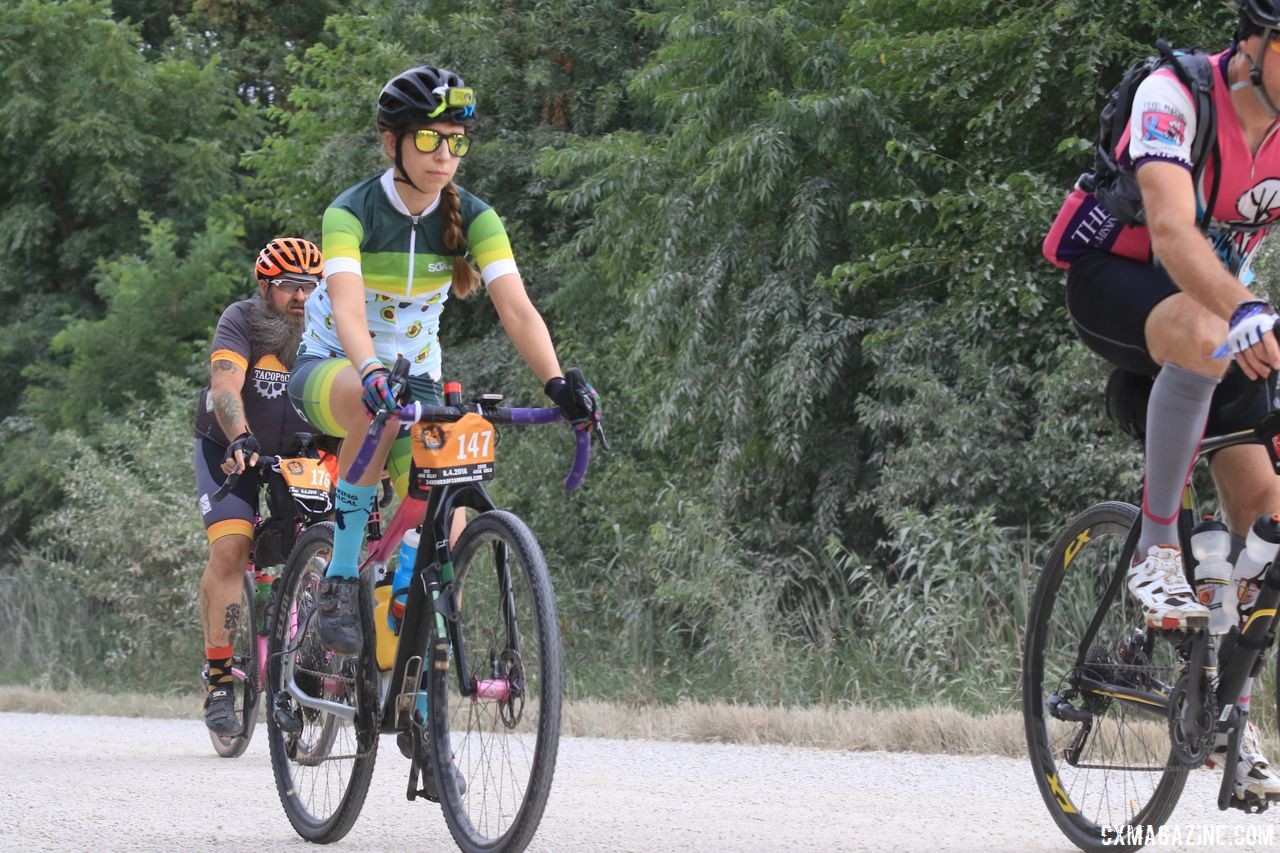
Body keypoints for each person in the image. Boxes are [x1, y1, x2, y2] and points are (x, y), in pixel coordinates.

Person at [1043, 1, 1280, 802]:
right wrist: (1246, 307)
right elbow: (1175, 233)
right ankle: (1154, 551)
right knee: (1212, 326)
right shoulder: (1173, 97)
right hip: (1121, 282)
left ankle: (1229, 720)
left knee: (1263, 511)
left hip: (1224, 305)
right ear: (1253, 46)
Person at [287, 65, 600, 656]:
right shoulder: (350, 213)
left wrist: (558, 385)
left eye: (455, 141)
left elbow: (517, 310)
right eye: (429, 138)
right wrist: (372, 371)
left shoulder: (475, 217)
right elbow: (351, 313)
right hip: (332, 364)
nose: (443, 154)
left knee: (448, 516)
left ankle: (413, 668)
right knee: (365, 400)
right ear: (392, 142)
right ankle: (340, 579)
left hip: (416, 380)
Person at [193, 237, 323, 736]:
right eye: (290, 286)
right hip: (230, 447)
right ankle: (220, 680)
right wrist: (240, 436)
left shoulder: (328, 326)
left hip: (300, 455)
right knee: (232, 548)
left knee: (323, 548)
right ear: (265, 287)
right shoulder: (242, 320)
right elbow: (225, 388)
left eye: (311, 286)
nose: (301, 297)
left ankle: (306, 669)